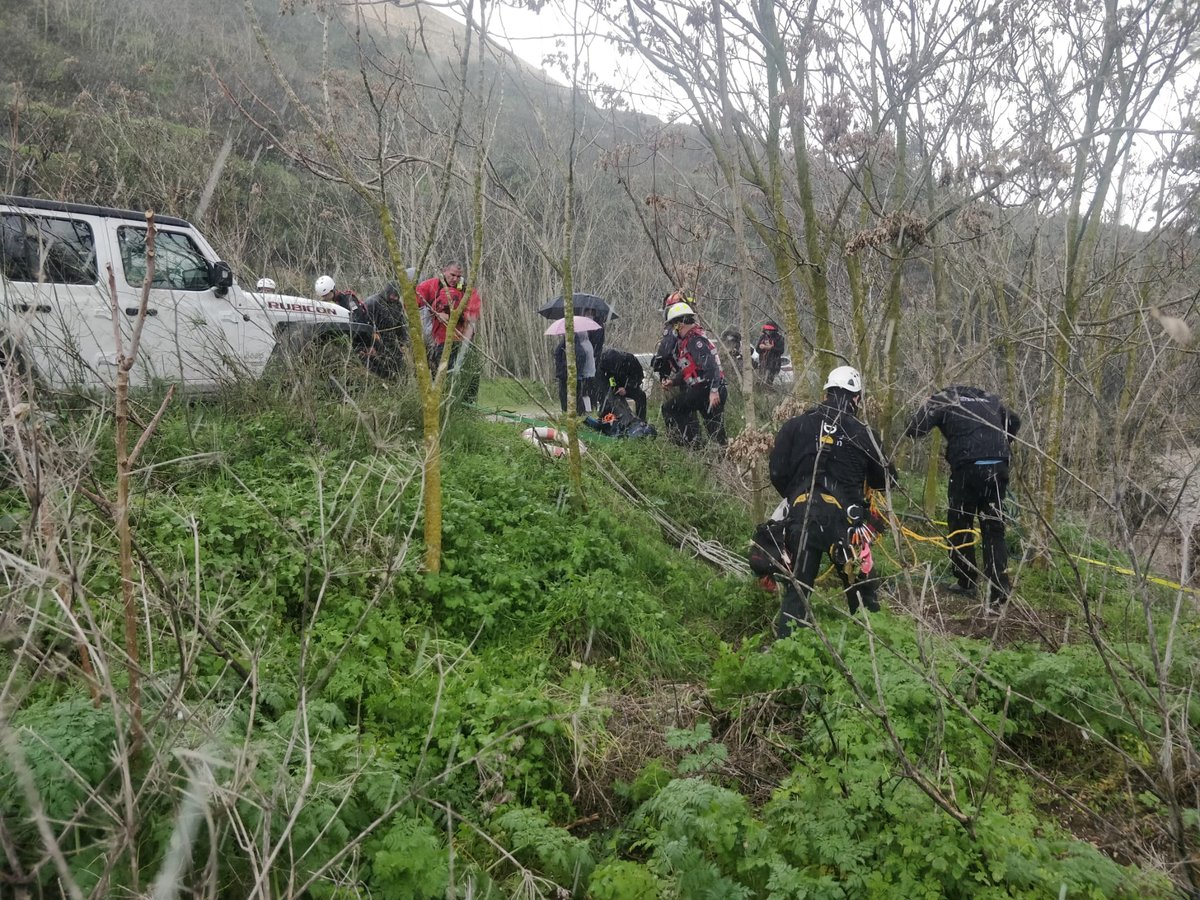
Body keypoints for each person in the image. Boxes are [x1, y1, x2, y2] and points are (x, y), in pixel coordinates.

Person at [768, 366, 892, 636]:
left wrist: (797, 498)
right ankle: (871, 645)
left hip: (802, 516)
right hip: (847, 524)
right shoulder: (862, 432)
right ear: (856, 398)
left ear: (826, 393)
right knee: (861, 589)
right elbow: (886, 480)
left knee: (798, 592)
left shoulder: (795, 426)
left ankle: (786, 648)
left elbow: (777, 472)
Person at [904, 385, 1021, 608]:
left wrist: (924, 406)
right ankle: (999, 590)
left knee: (960, 521)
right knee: (994, 528)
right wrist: (1001, 441)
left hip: (967, 467)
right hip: (998, 465)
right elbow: (1015, 421)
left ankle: (966, 580)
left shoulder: (944, 399)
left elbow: (915, 429)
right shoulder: (990, 399)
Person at [659, 301, 727, 447]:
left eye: (673, 325)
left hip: (708, 389)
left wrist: (714, 391)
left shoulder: (695, 342)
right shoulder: (690, 340)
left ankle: (689, 445)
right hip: (705, 388)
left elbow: (712, 367)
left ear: (679, 324)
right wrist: (674, 382)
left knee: (671, 408)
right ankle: (706, 448)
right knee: (714, 428)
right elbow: (690, 370)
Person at [415, 262, 482, 377]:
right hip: (440, 341)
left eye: (458, 276)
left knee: (467, 377)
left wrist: (450, 317)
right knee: (443, 377)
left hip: (463, 341)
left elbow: (472, 316)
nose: (455, 279)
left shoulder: (467, 291)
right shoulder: (430, 286)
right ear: (444, 271)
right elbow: (411, 303)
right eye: (452, 275)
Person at [357, 282, 409, 378]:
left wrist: (403, 343)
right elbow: (365, 324)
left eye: (397, 296)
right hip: (374, 339)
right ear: (387, 292)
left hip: (391, 340)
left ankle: (399, 383)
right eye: (393, 295)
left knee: (399, 366)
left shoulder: (397, 305)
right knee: (380, 368)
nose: (395, 298)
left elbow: (400, 325)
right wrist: (370, 344)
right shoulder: (372, 302)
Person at [597, 348, 647, 421]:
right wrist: (612, 387)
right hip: (613, 385)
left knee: (641, 396)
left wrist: (626, 389)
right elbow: (602, 378)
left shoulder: (631, 360)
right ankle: (605, 415)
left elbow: (639, 377)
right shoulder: (604, 361)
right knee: (607, 396)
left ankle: (641, 420)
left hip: (629, 385)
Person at [554, 334, 591, 414]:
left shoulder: (571, 349)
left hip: (569, 377)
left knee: (569, 398)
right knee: (575, 398)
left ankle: (572, 414)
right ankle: (578, 414)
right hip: (572, 377)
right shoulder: (578, 349)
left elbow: (557, 354)